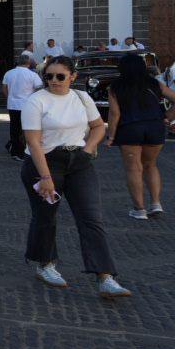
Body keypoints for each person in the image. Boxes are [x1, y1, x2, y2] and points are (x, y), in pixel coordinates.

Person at [22, 56, 129, 297]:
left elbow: (98, 126)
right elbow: (33, 142)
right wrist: (46, 177)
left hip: (79, 162)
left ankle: (105, 276)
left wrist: (88, 149)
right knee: (45, 216)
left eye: (60, 76)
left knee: (91, 218)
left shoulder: (82, 97)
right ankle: (45, 263)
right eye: (48, 76)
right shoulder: (36, 101)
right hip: (45, 163)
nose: (54, 81)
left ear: (73, 77)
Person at [105, 52, 175, 219]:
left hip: (130, 128)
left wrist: (111, 136)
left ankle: (139, 209)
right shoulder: (154, 83)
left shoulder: (116, 86)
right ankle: (156, 203)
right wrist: (167, 117)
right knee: (150, 165)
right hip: (154, 126)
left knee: (134, 168)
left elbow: (114, 113)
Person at [2, 53, 41, 160]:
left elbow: (4, 88)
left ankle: (15, 150)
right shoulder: (33, 75)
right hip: (27, 105)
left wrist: (9, 98)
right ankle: (24, 150)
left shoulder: (9, 73)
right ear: (28, 63)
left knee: (14, 128)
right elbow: (39, 88)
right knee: (27, 128)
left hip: (13, 105)